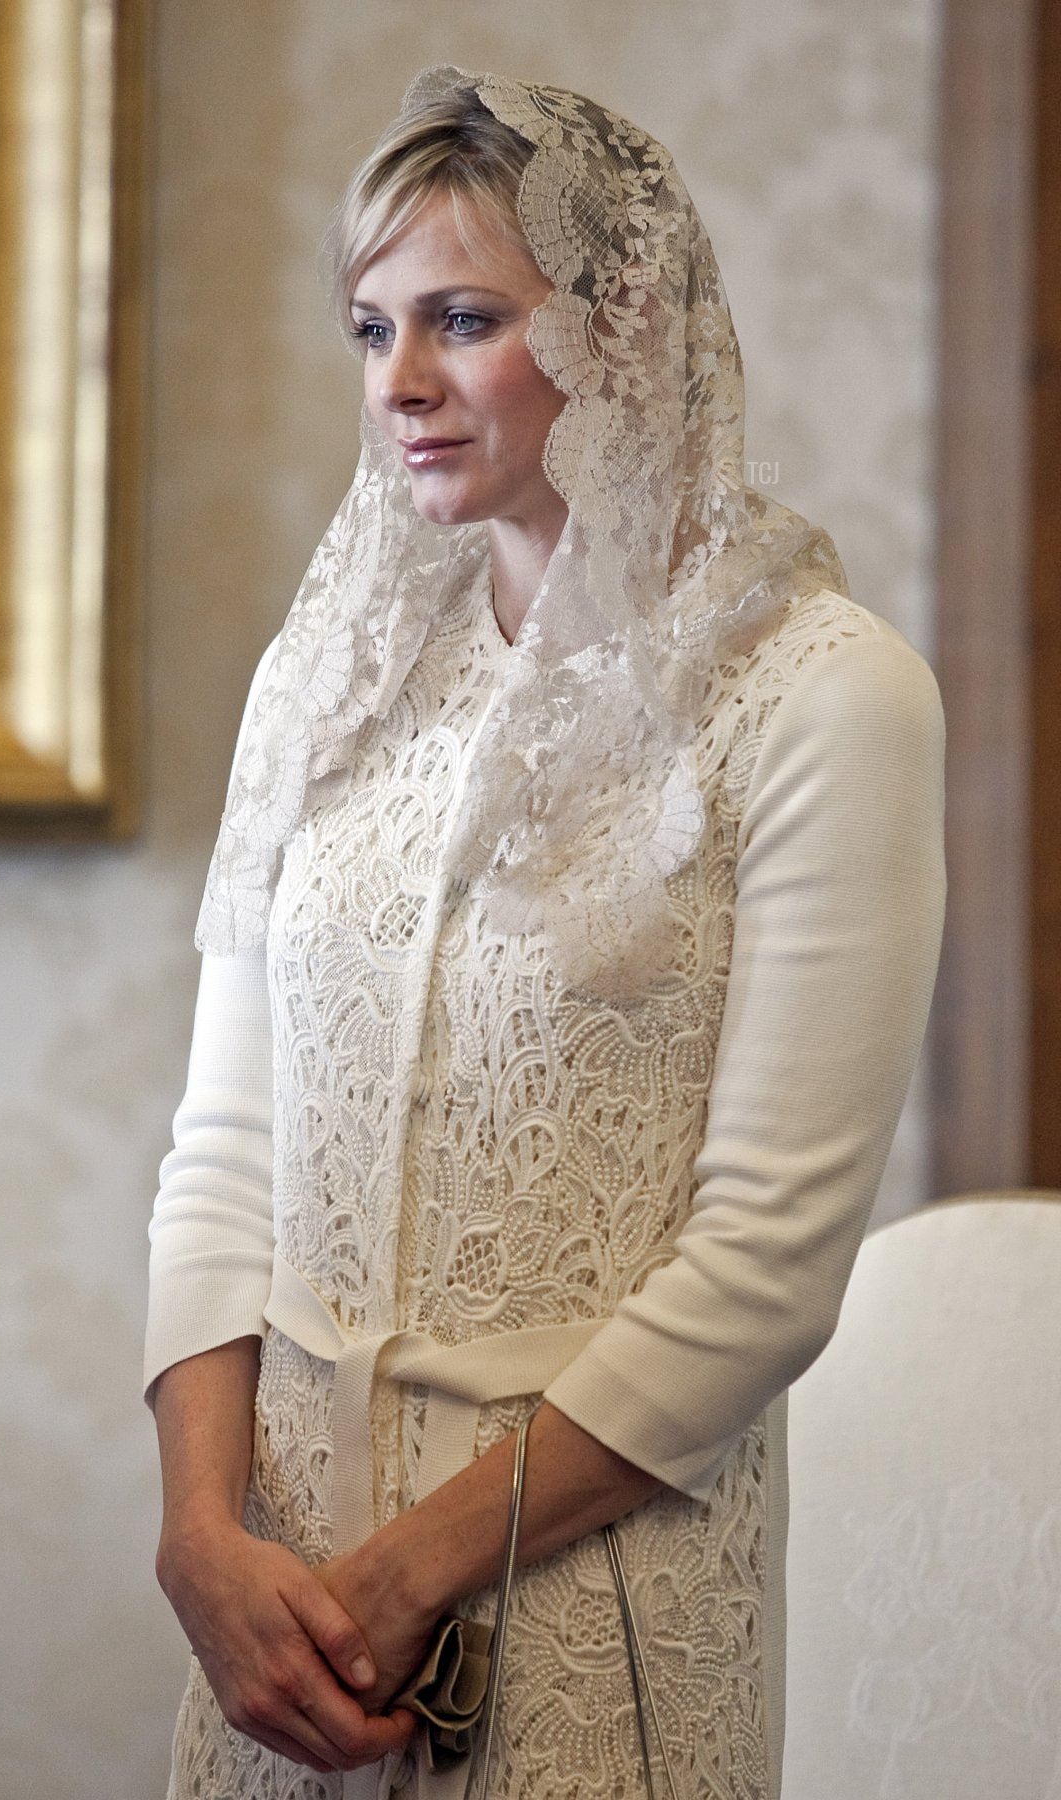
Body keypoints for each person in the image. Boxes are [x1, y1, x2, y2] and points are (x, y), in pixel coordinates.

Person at [144, 65, 945, 1800]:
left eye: (464, 319)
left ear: (625, 322)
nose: (403, 385)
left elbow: (769, 1267)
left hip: (594, 1624)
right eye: (372, 329)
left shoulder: (824, 695)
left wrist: (409, 1577)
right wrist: (204, 1540)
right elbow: (225, 1152)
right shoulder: (325, 687)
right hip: (272, 1635)